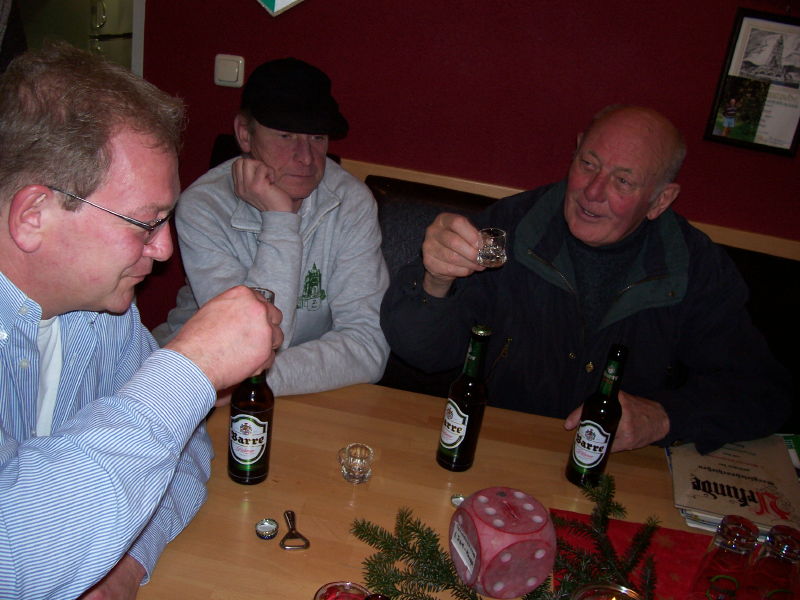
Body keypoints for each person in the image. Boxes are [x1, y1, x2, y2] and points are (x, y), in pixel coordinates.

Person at [0, 42, 283, 599]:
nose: (164, 248)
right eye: (146, 222)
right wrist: (188, 369)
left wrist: (127, 563)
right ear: (33, 216)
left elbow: (184, 450)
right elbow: (16, 556)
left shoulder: (104, 313)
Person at [381, 105, 791, 455]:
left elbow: (762, 391)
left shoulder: (692, 266)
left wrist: (663, 416)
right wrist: (435, 280)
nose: (592, 192)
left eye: (623, 181)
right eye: (588, 164)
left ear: (660, 200)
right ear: (575, 150)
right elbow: (423, 353)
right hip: (500, 448)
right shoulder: (510, 228)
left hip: (619, 472)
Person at [153, 57, 389, 396]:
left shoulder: (351, 202)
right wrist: (280, 220)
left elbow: (368, 347)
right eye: (285, 135)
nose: (306, 157)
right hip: (189, 384)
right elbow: (246, 342)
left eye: (317, 137)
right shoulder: (203, 207)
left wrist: (253, 383)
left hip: (262, 388)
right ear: (244, 135)